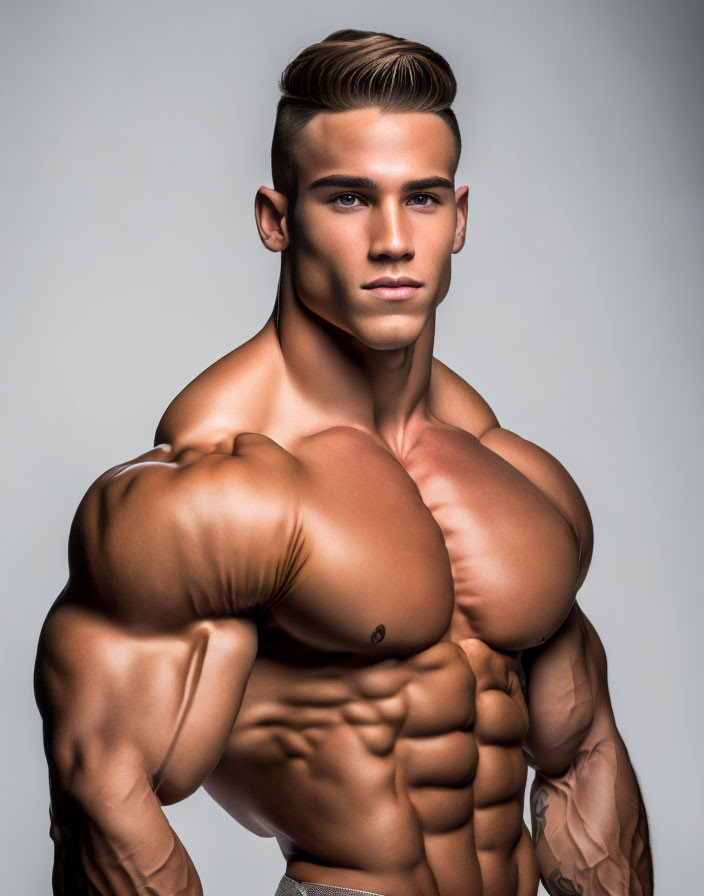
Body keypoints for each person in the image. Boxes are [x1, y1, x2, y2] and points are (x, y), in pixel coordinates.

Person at [35, 29, 653, 896]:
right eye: (350, 199)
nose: (395, 240)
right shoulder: (221, 481)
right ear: (277, 219)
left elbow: (584, 753)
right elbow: (101, 792)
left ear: (461, 218)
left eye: (424, 199)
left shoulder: (515, 473)